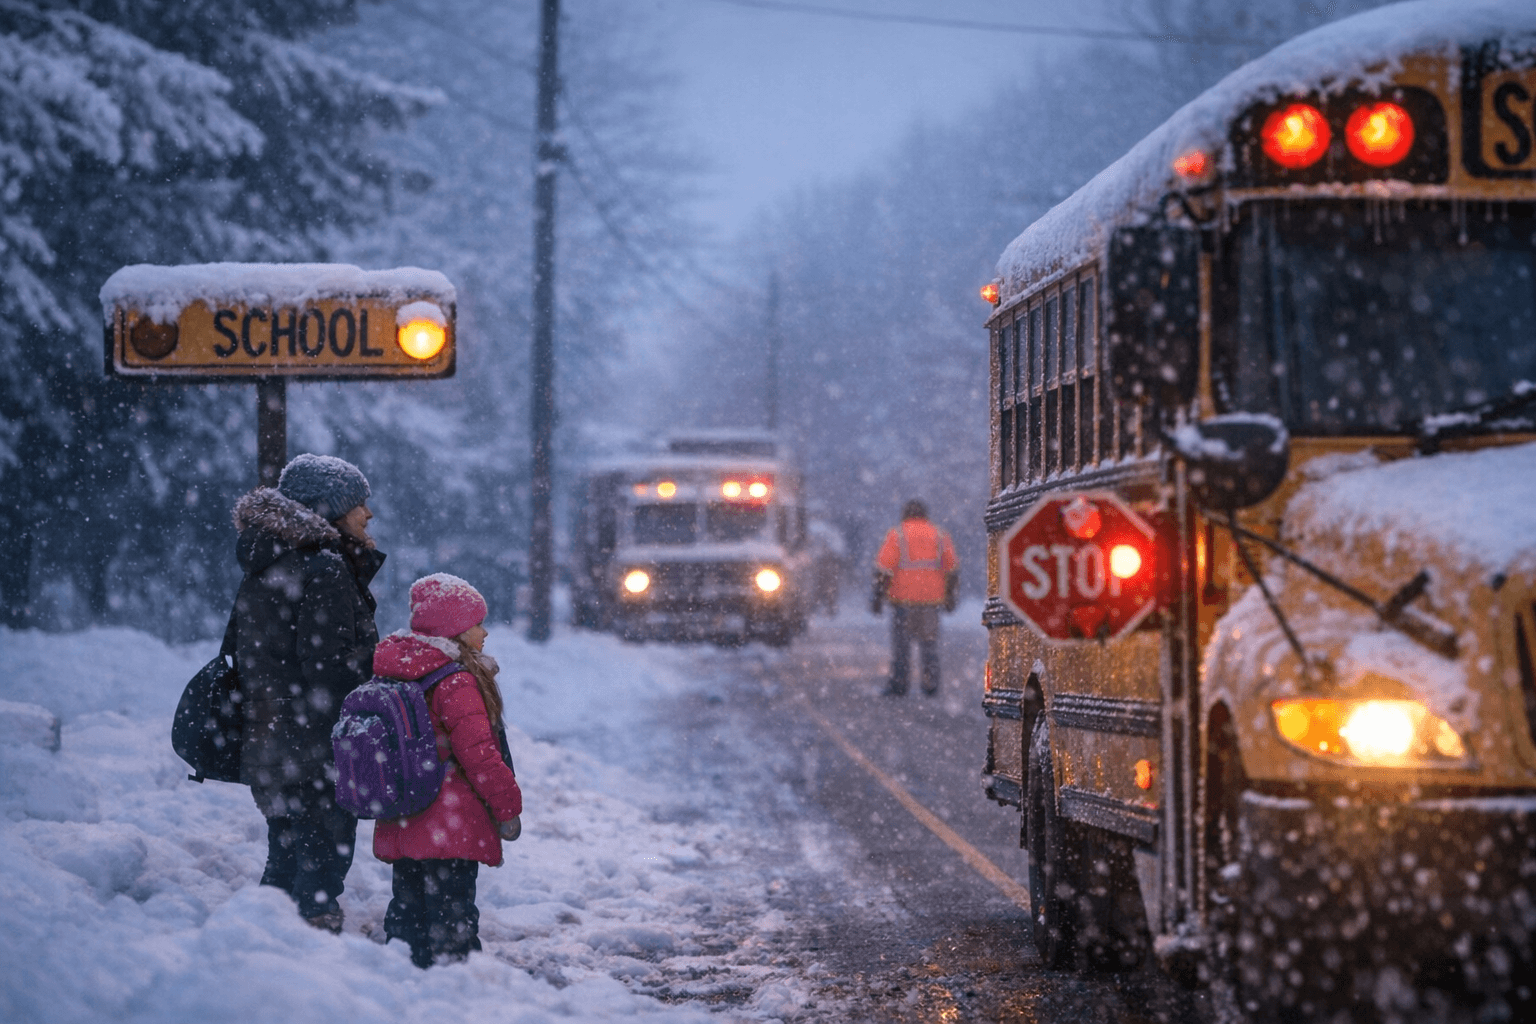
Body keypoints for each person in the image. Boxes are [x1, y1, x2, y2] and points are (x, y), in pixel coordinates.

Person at [231, 453, 385, 932]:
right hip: (316, 736)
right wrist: (378, 691)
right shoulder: (323, 567)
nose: (368, 515)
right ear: (332, 511)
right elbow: (331, 665)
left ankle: (266, 942)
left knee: (287, 848)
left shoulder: (272, 560)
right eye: (360, 505)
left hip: (273, 730)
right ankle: (311, 951)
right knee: (322, 853)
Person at [373, 573, 522, 968]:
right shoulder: (455, 681)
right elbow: (480, 755)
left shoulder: (398, 672)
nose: (485, 632)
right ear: (455, 630)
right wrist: (507, 806)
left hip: (406, 814)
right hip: (452, 821)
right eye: (477, 624)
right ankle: (457, 991)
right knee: (452, 916)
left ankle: (401, 983)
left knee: (407, 912)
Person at [872, 499, 958, 696]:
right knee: (929, 646)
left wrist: (877, 597)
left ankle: (899, 685)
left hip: (903, 601)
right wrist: (950, 597)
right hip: (931, 602)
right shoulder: (940, 535)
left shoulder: (897, 534)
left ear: (905, 514)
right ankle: (930, 685)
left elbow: (883, 569)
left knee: (902, 647)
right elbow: (952, 569)